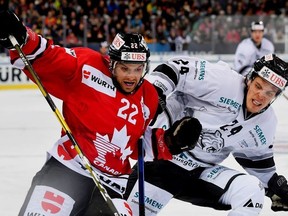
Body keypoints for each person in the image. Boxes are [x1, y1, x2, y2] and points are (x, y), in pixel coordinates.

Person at [0, 10, 201, 216]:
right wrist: (23, 37)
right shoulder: (88, 67)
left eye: (138, 68)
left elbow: (134, 143)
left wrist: (169, 141)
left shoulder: (148, 96)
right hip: (69, 168)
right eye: (125, 68)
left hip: (113, 183)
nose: (132, 76)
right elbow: (50, 56)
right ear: (112, 63)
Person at [124, 54, 288, 215]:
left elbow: (257, 161)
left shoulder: (266, 123)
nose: (260, 97)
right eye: (258, 86)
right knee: (126, 212)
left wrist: (275, 187)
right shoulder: (224, 82)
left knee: (252, 191)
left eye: (269, 93)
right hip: (163, 159)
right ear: (250, 79)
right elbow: (176, 68)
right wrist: (156, 92)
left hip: (201, 173)